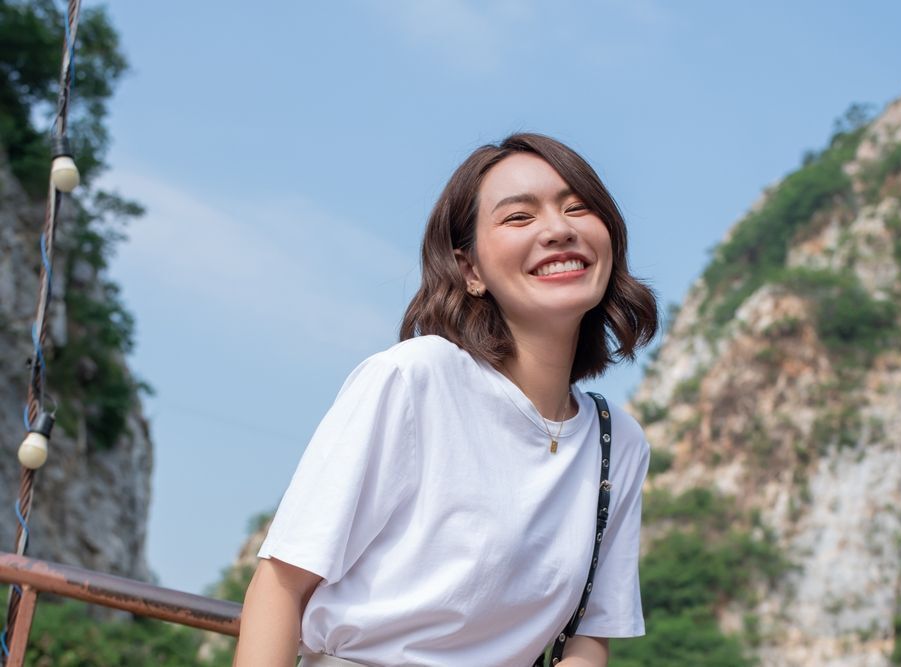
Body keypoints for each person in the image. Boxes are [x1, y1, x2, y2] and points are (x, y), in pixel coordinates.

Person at [234, 133, 658, 667]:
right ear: (470, 271)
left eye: (578, 208)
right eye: (519, 217)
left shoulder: (616, 442)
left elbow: (590, 635)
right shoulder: (414, 379)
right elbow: (280, 586)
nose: (558, 229)